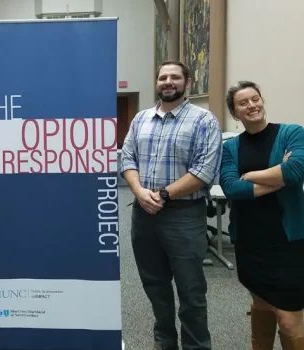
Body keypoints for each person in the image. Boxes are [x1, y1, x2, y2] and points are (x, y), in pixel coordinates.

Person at [121, 60, 222, 350]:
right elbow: (127, 159)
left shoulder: (203, 120)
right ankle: (165, 343)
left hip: (184, 215)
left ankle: (196, 346)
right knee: (155, 287)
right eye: (163, 77)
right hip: (143, 215)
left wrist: (162, 195)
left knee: (191, 290)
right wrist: (140, 192)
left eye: (175, 77)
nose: (168, 82)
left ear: (187, 83)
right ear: (157, 82)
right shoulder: (141, 119)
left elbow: (204, 171)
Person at [220, 81, 304, 349]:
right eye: (243, 103)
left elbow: (295, 171)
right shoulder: (229, 147)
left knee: (289, 318)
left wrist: (250, 176)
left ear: (262, 101)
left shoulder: (292, 133)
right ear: (235, 114)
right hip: (249, 241)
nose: (251, 105)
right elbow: (232, 187)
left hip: (289, 241)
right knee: (261, 304)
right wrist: (279, 174)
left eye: (254, 99)